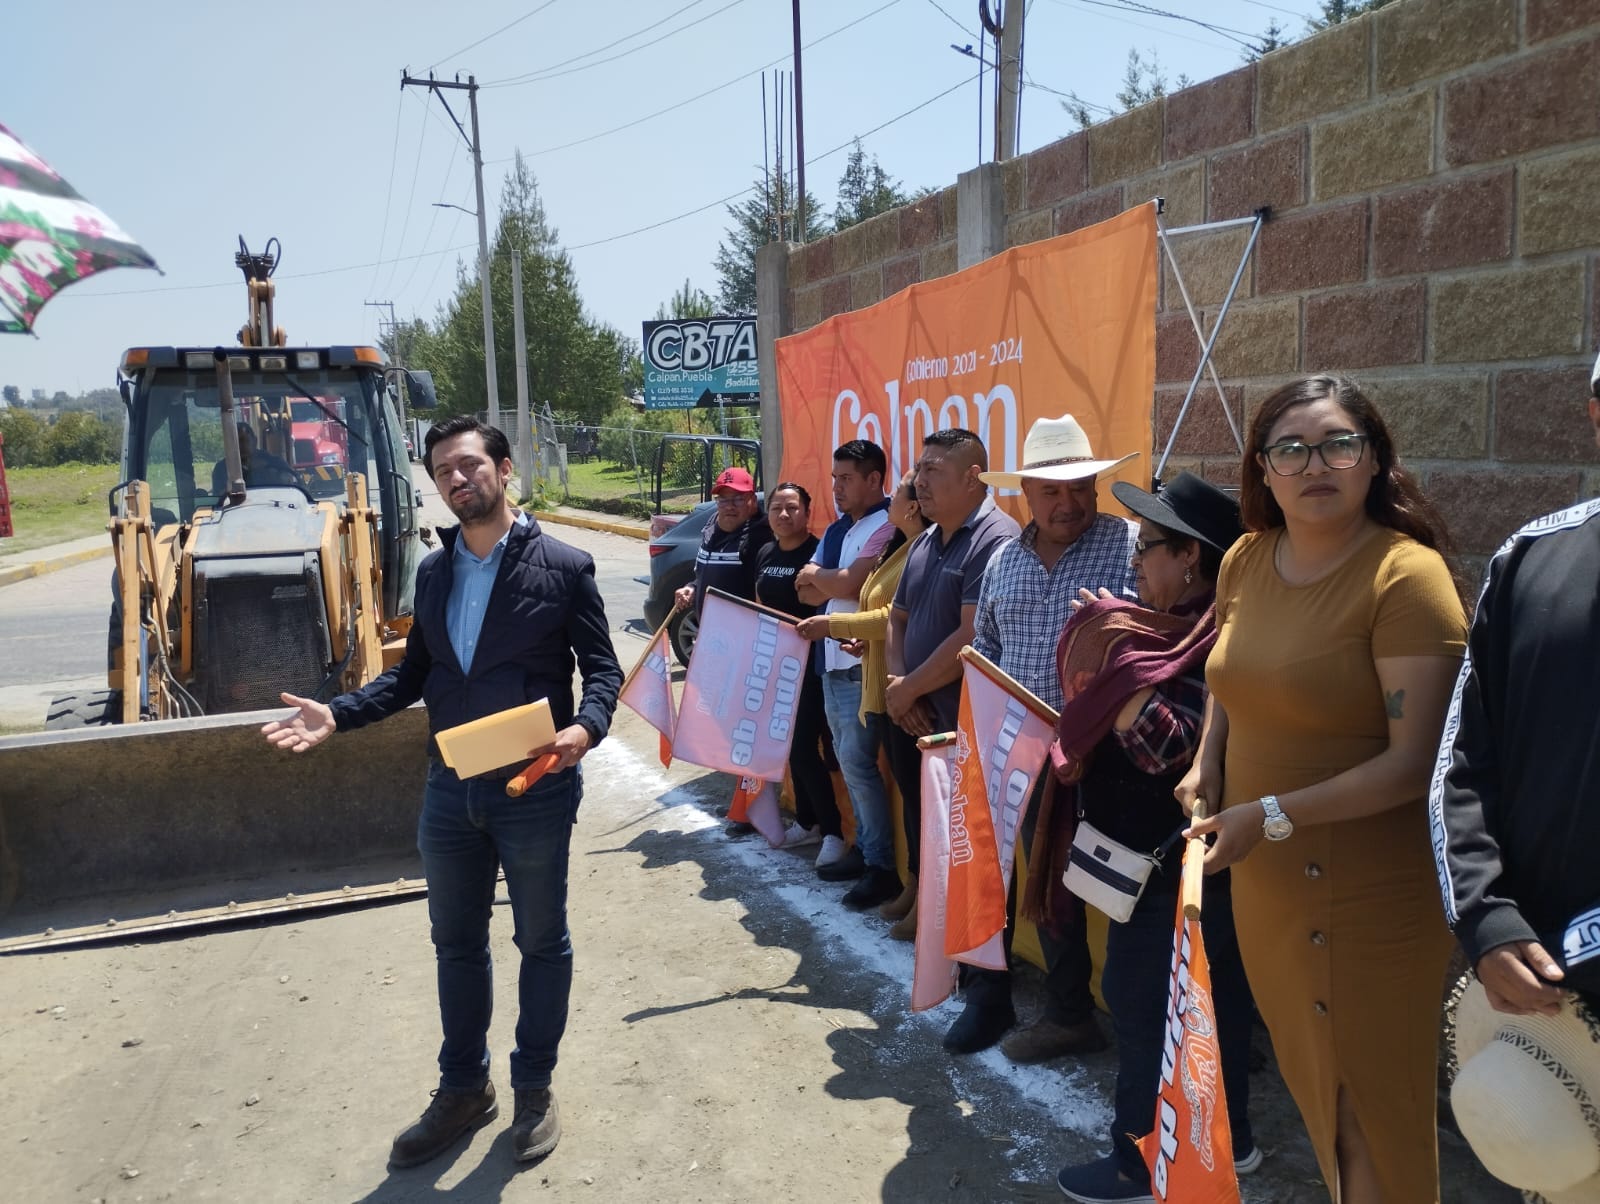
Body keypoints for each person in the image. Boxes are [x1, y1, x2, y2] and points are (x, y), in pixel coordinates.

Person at [261, 415, 622, 1169]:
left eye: (468, 466)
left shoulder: (564, 566)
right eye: (443, 472)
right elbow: (414, 676)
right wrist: (339, 712)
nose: (456, 481)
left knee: (539, 941)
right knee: (455, 945)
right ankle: (464, 1090)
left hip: (534, 788)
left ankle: (533, 1087)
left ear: (503, 466)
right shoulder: (435, 570)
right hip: (449, 791)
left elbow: (604, 672)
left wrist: (584, 731)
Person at [1182, 375, 1467, 1204]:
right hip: (1267, 879)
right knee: (1317, 1091)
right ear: (1261, 470)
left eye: (1339, 444)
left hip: (1370, 892)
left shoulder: (1406, 579)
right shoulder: (1244, 558)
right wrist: (1207, 762)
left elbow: (1416, 764)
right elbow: (1227, 683)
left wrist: (1268, 814)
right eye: (1291, 449)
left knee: (1369, 1108)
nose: (1317, 465)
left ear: (1374, 460)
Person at [1053, 471, 1259, 1203]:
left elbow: (1172, 753)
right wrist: (1116, 649)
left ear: (1192, 560)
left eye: (1149, 548)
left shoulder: (1215, 641)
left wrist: (1117, 670)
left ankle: (1137, 1165)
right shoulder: (1160, 627)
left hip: (1178, 868)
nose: (1134, 564)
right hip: (1161, 861)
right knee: (1209, 1004)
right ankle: (1235, 1141)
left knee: (1142, 1006)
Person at [953, 413, 1140, 1059]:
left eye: (1080, 487)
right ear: (1026, 493)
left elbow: (1168, 651)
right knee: (1053, 894)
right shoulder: (1004, 561)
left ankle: (1159, 1028)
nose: (1069, 502)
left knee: (1136, 894)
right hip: (1031, 766)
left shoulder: (1131, 547)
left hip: (1119, 765)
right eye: (1052, 491)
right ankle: (1070, 1015)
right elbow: (987, 650)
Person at [1432, 350, 1600, 1023]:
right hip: (1540, 1004)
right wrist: (1484, 916)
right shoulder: (1531, 558)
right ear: (1595, 415)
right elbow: (1463, 761)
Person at [885, 427, 1020, 1023]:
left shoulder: (992, 538)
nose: (919, 481)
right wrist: (897, 687)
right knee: (928, 830)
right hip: (916, 717)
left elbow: (971, 636)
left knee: (972, 851)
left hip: (964, 729)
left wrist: (910, 687)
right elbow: (897, 619)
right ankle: (938, 930)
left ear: (973, 477)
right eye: (919, 469)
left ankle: (977, 974)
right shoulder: (926, 541)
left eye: (933, 470)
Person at [795, 471, 930, 931]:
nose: (894, 498)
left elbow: (883, 609)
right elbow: (816, 587)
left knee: (885, 779)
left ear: (910, 507)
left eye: (903, 492)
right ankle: (906, 881)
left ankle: (893, 874)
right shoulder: (896, 544)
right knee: (871, 774)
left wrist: (835, 626)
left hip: (905, 690)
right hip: (879, 680)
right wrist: (856, 633)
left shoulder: (919, 546)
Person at [793, 440, 899, 902]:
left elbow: (851, 585)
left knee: (858, 765)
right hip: (831, 662)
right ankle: (866, 850)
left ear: (875, 480)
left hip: (861, 663)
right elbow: (805, 593)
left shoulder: (890, 524)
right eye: (834, 478)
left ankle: (881, 865)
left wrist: (822, 576)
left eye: (846, 479)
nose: (836, 487)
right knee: (849, 763)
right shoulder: (837, 530)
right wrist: (825, 578)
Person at [751, 482, 844, 855]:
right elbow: (759, 604)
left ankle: (834, 833)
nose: (784, 515)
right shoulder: (765, 552)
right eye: (777, 508)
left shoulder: (816, 553)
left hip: (812, 664)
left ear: (807, 512)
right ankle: (807, 821)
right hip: (776, 664)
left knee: (806, 746)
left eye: (793, 507)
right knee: (790, 746)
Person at [673, 465, 770, 625]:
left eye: (738, 499)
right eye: (723, 499)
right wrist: (692, 587)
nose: (729, 506)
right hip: (710, 635)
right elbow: (710, 576)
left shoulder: (760, 538)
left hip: (742, 638)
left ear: (752, 500)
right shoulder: (710, 528)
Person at [212, 422, 298, 493]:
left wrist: (265, 471)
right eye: (237, 442)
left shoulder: (273, 462)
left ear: (255, 441)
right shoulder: (221, 469)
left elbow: (290, 485)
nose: (242, 446)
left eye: (245, 440)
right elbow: (219, 498)